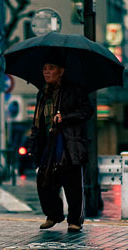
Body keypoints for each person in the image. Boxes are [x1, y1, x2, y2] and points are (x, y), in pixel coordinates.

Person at [29, 50, 94, 232]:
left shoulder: (74, 90)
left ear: (61, 71)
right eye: (44, 69)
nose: (47, 72)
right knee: (44, 181)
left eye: (51, 68)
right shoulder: (42, 93)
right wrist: (33, 144)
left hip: (68, 143)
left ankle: (75, 220)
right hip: (47, 143)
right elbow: (37, 121)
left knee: (72, 183)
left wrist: (64, 117)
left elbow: (87, 111)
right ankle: (54, 215)